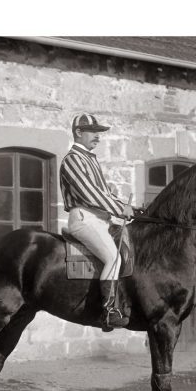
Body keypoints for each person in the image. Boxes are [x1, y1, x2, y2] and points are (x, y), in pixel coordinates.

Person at [60, 114, 134, 331]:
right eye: (93, 132)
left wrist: (131, 209)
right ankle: (109, 310)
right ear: (79, 133)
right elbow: (91, 195)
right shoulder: (72, 160)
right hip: (85, 219)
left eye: (98, 132)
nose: (98, 137)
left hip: (101, 219)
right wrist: (121, 208)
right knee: (112, 257)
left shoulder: (91, 160)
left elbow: (104, 195)